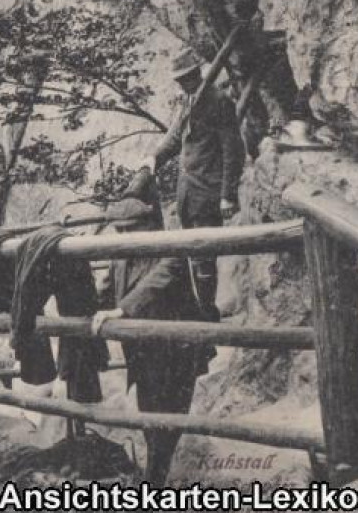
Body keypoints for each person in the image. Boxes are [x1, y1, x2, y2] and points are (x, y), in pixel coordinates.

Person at [90, 172, 214, 488]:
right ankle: (157, 479)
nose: (123, 235)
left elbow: (154, 284)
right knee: (149, 415)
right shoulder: (120, 259)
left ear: (146, 226)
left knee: (170, 417)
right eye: (119, 230)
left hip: (176, 353)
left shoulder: (169, 251)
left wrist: (122, 309)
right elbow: (105, 293)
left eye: (129, 229)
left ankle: (157, 482)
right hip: (143, 355)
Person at [145, 47, 245, 317]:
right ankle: (201, 308)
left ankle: (207, 312)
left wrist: (227, 194)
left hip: (208, 191)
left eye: (187, 77)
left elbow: (232, 150)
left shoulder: (218, 101)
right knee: (191, 253)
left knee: (204, 255)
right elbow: (176, 137)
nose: (183, 82)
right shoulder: (187, 101)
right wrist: (153, 158)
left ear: (197, 73)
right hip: (187, 191)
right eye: (179, 79)